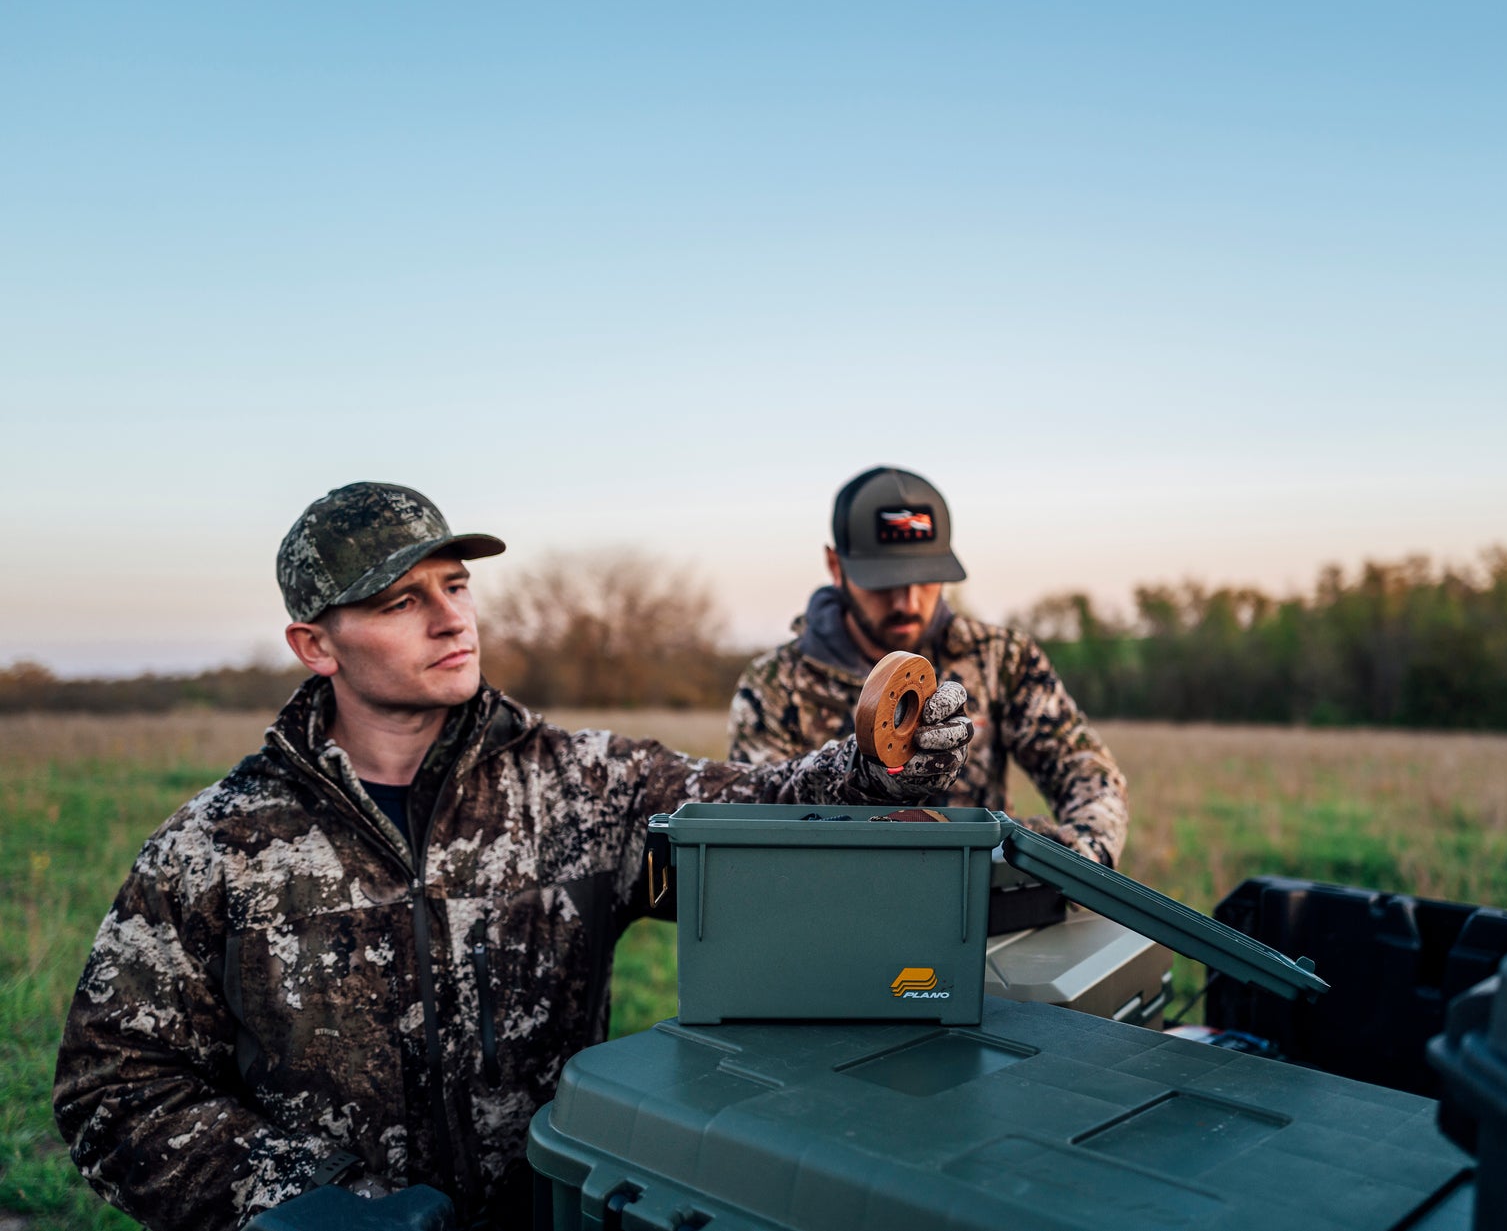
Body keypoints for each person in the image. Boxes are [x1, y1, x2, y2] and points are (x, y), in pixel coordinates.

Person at [53, 482, 972, 1231]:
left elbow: (768, 811)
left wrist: (879, 763)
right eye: (400, 600)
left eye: (456, 586)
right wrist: (295, 1203)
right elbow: (114, 1085)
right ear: (315, 644)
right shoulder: (217, 843)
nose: (451, 619)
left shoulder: (580, 784)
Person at [729, 465, 1127, 866]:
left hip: (979, 908)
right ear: (836, 566)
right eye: (883, 580)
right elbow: (761, 827)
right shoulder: (775, 685)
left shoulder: (1000, 657)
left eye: (926, 577)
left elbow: (1086, 771)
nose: (908, 602)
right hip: (834, 908)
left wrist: (1074, 861)